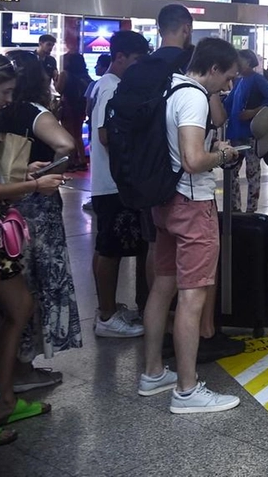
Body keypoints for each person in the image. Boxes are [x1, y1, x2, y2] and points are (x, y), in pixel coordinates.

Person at [136, 38, 244, 414]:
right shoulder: (195, 97)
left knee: (163, 287)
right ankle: (186, 389)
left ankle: (152, 372)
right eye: (227, 77)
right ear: (213, 68)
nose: (228, 86)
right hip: (192, 203)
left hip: (164, 202)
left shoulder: (169, 87)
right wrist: (224, 154)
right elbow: (194, 159)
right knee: (192, 296)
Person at [0, 52, 67, 440]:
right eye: (5, 91)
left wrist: (21, 173)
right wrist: (32, 185)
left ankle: (1, 398)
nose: (9, 100)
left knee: (20, 306)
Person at [0, 51, 81, 391]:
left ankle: (3, 369)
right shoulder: (33, 112)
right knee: (35, 286)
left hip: (2, 208)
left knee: (9, 291)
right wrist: (44, 172)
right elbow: (66, 144)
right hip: (34, 207)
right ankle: (20, 368)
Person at [88, 31, 151, 339]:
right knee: (110, 250)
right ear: (120, 56)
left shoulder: (111, 86)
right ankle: (106, 315)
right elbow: (104, 134)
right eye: (136, 60)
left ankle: (108, 307)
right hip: (113, 183)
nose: (138, 67)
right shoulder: (110, 88)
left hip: (109, 182)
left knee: (106, 247)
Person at [222, 50, 268, 213]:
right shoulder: (239, 80)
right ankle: (235, 207)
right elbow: (228, 103)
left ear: (247, 61)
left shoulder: (257, 80)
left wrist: (253, 111)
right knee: (232, 171)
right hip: (235, 133)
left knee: (252, 172)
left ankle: (251, 209)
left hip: (251, 133)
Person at [57, 53, 92, 170]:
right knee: (78, 135)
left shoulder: (65, 74)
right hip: (80, 108)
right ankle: (82, 160)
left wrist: (54, 79)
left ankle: (71, 161)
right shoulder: (85, 75)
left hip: (68, 107)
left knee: (68, 134)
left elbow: (59, 89)